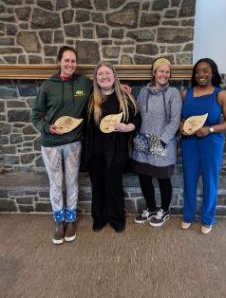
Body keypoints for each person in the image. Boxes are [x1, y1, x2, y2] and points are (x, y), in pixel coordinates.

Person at [32, 46, 92, 244]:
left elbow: (103, 86)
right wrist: (48, 128)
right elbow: (36, 116)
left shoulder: (84, 82)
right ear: (59, 62)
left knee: (72, 181)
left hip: (73, 143)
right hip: (51, 144)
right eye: (66, 60)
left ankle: (71, 219)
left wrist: (122, 87)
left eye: (73, 61)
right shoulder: (48, 86)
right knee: (56, 183)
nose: (70, 64)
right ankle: (59, 220)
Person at [85, 61, 141, 233]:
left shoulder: (125, 98)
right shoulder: (90, 99)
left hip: (116, 152)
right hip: (95, 152)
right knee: (98, 187)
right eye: (100, 74)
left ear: (114, 76)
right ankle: (99, 218)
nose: (104, 76)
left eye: (107, 73)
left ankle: (117, 218)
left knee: (114, 187)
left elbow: (137, 119)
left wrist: (129, 127)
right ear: (95, 78)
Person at [180, 58, 226, 234]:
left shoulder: (221, 95)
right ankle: (188, 215)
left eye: (205, 71)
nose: (200, 74)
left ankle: (207, 219)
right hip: (189, 143)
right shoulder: (185, 94)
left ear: (212, 73)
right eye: (197, 71)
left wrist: (210, 129)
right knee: (189, 179)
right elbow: (180, 118)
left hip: (211, 143)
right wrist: (182, 126)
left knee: (210, 180)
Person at [132, 58, 182, 227]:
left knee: (163, 178)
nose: (164, 74)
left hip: (162, 141)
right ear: (154, 73)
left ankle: (164, 210)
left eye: (167, 72)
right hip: (143, 140)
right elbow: (137, 113)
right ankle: (151, 208)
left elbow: (175, 121)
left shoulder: (173, 93)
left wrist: (162, 141)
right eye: (161, 71)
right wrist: (127, 92)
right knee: (144, 177)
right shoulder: (144, 92)